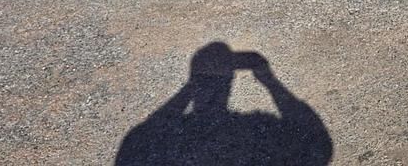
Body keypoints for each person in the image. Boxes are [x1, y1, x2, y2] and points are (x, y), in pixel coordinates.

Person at [116, 42, 333, 165]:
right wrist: (270, 82)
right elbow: (319, 143)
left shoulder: (136, 145)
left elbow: (151, 130)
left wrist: (192, 86)